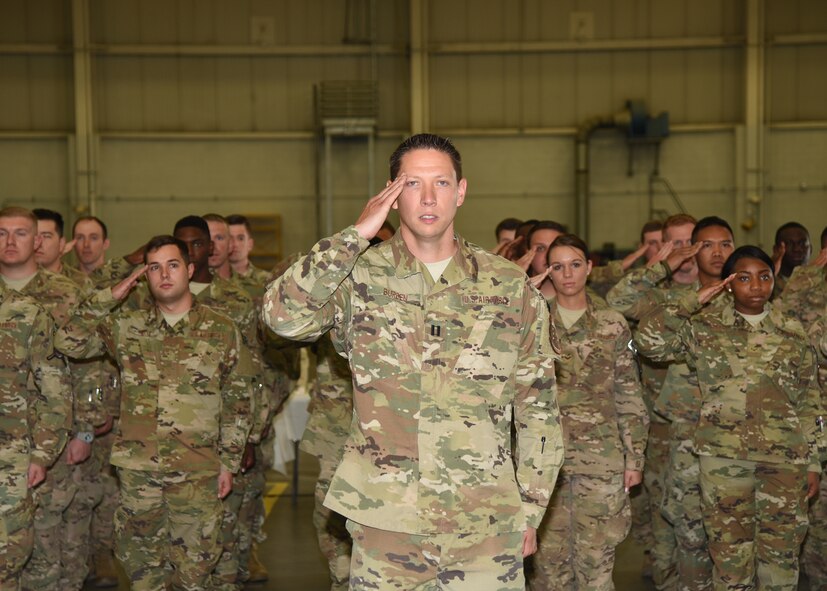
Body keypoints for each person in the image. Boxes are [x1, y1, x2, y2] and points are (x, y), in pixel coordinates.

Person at [263, 133, 564, 589]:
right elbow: (281, 318)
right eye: (412, 184)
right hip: (388, 521)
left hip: (485, 521)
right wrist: (354, 236)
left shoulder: (507, 286)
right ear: (390, 193)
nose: (428, 198)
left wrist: (533, 506)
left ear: (461, 192)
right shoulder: (357, 278)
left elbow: (538, 406)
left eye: (441, 183)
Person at [55, 234, 253, 591]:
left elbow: (238, 400)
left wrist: (229, 461)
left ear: (190, 270)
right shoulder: (127, 327)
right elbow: (67, 340)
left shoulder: (221, 329)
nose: (164, 274)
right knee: (142, 566)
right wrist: (109, 297)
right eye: (154, 268)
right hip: (139, 471)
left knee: (197, 566)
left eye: (173, 265)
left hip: (198, 468)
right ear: (144, 276)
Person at [638, 245, 822, 590]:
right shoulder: (704, 327)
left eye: (764, 277)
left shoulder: (793, 332)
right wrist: (693, 302)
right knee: (729, 560)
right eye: (744, 278)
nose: (756, 286)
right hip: (724, 463)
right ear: (728, 284)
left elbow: (809, 401)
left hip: (783, 462)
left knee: (781, 560)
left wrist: (814, 461)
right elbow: (649, 341)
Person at [529, 234, 648, 591]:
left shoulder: (611, 324)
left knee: (596, 568)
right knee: (548, 570)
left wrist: (634, 459)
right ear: (548, 272)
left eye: (575, 264)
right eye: (558, 266)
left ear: (590, 268)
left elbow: (628, 393)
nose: (567, 274)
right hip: (544, 465)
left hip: (602, 462)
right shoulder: (533, 322)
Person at [606, 213, 699, 589]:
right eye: (675, 242)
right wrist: (660, 265)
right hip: (662, 429)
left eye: (693, 241)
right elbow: (617, 299)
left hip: (712, 430)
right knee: (665, 526)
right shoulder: (654, 296)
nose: (686, 250)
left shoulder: (723, 291)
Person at [0, 213, 71, 590]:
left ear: (36, 241)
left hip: (17, 453)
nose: (10, 241)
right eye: (1, 233)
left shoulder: (34, 310)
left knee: (21, 555)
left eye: (20, 233)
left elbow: (56, 388)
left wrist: (43, 453)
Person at [772, 222, 811, 294]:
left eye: (802, 243)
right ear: (776, 250)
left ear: (810, 249)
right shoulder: (767, 284)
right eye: (789, 243)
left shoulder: (820, 281)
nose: (797, 249)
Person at [204, 213, 234, 280]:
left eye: (219, 238)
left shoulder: (253, 286)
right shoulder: (183, 287)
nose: (212, 246)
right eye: (207, 238)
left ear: (230, 244)